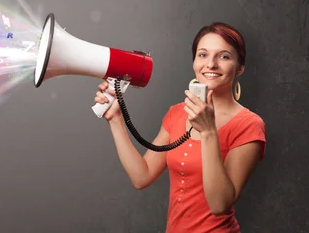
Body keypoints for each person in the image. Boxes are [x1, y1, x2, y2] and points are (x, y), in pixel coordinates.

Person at [94, 22, 266, 233]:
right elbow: (142, 176)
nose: (210, 64)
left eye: (224, 56)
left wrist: (209, 132)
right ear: (194, 62)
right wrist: (115, 119)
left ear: (240, 67)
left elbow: (219, 204)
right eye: (203, 55)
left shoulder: (249, 125)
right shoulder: (177, 113)